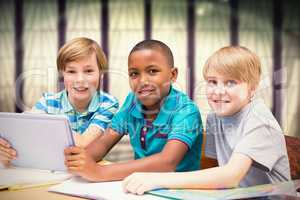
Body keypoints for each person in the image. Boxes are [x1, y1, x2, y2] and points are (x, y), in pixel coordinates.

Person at [122, 46, 291, 195]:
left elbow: (231, 176)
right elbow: (215, 168)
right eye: (212, 82)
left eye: (231, 83)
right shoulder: (215, 116)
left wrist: (156, 179)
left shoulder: (259, 120)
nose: (218, 91)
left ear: (252, 88)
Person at [64, 39, 203, 182]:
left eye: (153, 71)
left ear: (172, 75)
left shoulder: (186, 111)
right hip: (138, 187)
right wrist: (81, 161)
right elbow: (104, 142)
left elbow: (167, 162)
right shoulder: (132, 101)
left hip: (179, 189)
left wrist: (100, 172)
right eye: (134, 74)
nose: (142, 81)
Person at [0, 37, 119, 166]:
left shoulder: (108, 104)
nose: (80, 79)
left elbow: (84, 144)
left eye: (89, 71)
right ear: (63, 75)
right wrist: (7, 148)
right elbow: (23, 135)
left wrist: (40, 127)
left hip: (88, 172)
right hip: (49, 168)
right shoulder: (48, 102)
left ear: (101, 73)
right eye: (71, 71)